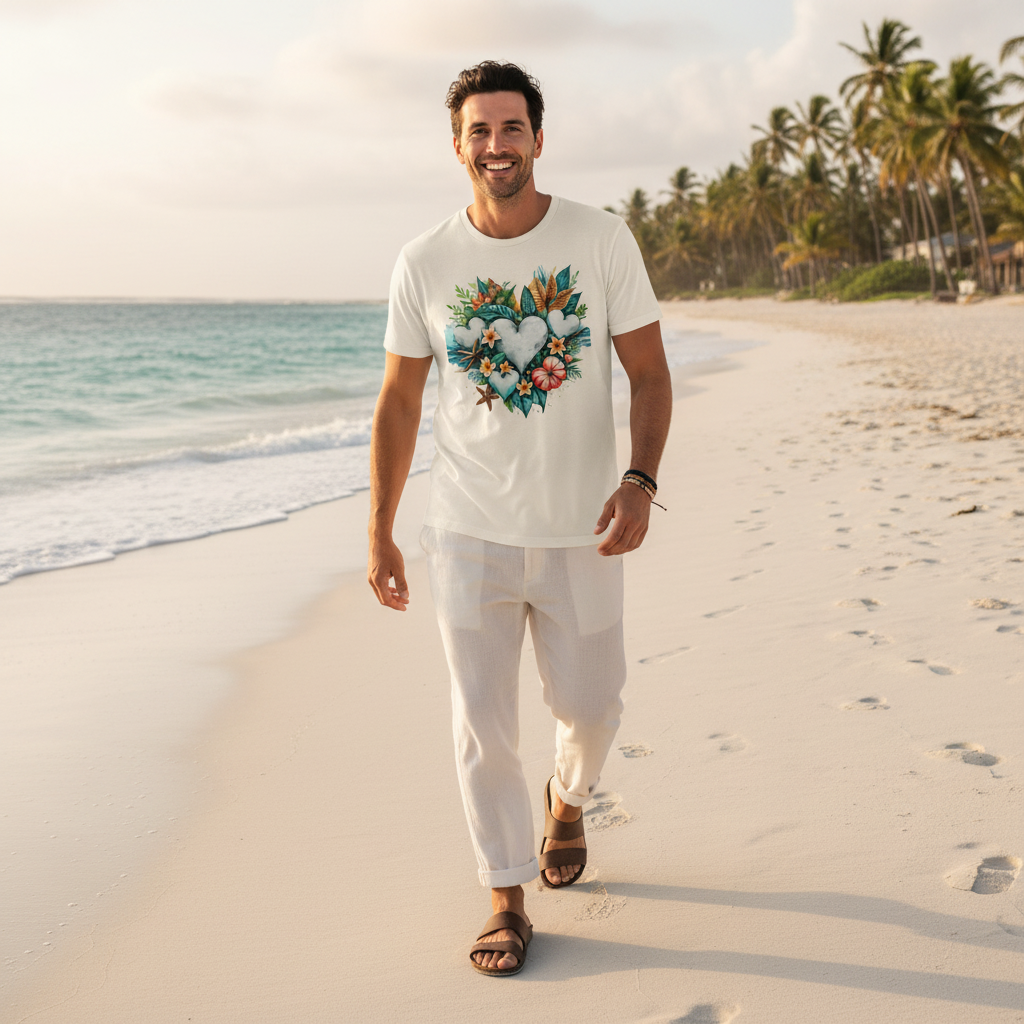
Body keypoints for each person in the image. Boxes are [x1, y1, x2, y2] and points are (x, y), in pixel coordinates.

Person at [367, 60, 671, 977]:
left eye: (511, 129)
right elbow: (398, 403)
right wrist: (380, 525)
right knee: (481, 720)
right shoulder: (424, 262)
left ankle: (569, 800)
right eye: (478, 131)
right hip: (467, 532)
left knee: (591, 706)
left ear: (539, 138)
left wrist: (639, 480)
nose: (495, 146)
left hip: (585, 528)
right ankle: (504, 895)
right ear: (455, 145)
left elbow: (649, 375)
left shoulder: (600, 239)